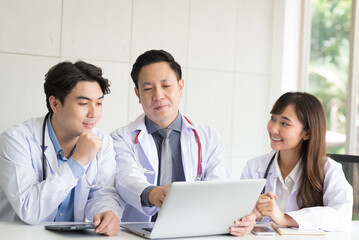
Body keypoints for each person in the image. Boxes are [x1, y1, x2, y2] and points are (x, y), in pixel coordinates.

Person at [0, 61, 123, 236]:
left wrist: (107, 212)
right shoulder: (16, 140)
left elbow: (103, 194)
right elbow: (29, 210)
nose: (93, 114)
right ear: (55, 104)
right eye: (83, 104)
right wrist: (78, 161)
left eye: (99, 103)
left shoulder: (103, 142)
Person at [236, 92, 353, 232]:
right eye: (273, 118)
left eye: (284, 123)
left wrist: (284, 218)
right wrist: (251, 217)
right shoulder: (254, 168)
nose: (273, 129)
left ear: (307, 133)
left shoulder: (329, 170)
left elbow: (341, 216)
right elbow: (237, 213)